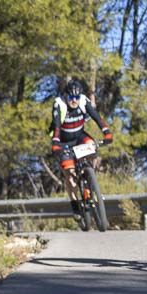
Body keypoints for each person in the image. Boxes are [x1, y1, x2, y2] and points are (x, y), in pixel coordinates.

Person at [49, 77, 113, 217]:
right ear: (66, 95)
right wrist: (55, 143)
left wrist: (106, 131)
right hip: (63, 141)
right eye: (71, 97)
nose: (74, 100)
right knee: (69, 174)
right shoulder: (60, 104)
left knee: (92, 147)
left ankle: (91, 181)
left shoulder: (83, 101)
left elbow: (96, 117)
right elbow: (57, 126)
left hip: (79, 137)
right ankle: (74, 204)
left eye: (76, 97)